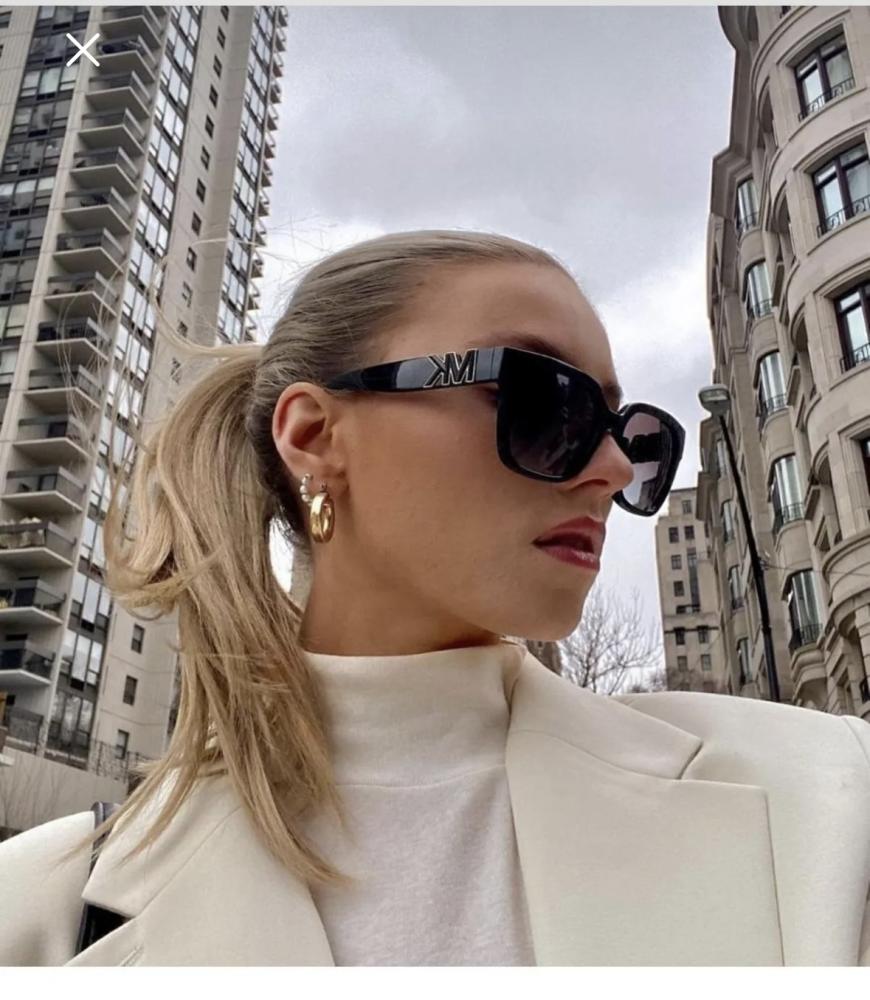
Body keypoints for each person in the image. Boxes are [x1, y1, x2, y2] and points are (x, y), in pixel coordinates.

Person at [1, 229, 869, 967]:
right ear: (314, 435)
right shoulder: (48, 905)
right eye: (544, 400)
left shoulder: (824, 801)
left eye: (625, 432)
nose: (610, 470)